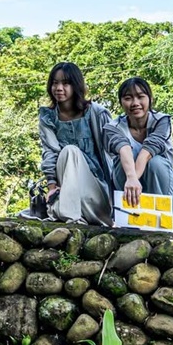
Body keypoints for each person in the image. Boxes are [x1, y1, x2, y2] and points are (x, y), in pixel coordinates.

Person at [37, 61, 113, 225]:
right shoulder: (48, 117)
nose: (59, 88)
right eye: (55, 83)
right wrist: (51, 186)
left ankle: (68, 213)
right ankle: (69, 214)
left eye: (65, 83)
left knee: (71, 150)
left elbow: (112, 152)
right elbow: (50, 151)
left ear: (76, 85)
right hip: (65, 186)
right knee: (69, 151)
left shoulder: (96, 113)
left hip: (94, 185)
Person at [103, 76, 173, 216]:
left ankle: (164, 217)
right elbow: (124, 149)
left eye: (140, 97)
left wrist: (133, 179)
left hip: (168, 193)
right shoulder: (112, 127)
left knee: (155, 162)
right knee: (124, 160)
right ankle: (127, 215)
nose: (135, 103)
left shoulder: (162, 121)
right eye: (128, 98)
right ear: (121, 102)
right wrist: (131, 178)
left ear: (150, 99)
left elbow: (148, 150)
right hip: (126, 190)